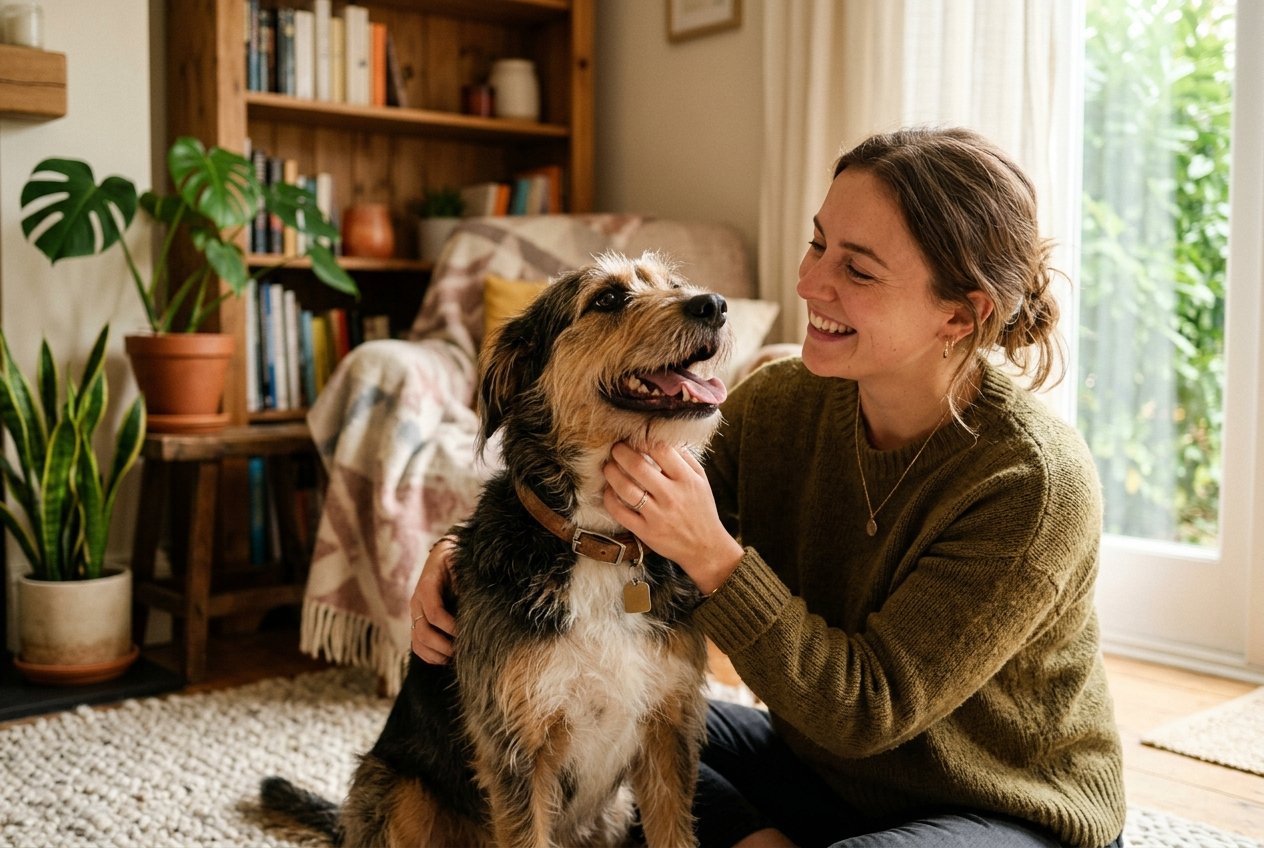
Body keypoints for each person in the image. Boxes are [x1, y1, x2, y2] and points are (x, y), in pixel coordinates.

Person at [411, 126, 1128, 848]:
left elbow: (866, 709)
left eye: (859, 269)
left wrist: (715, 559)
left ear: (959, 314)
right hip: (818, 768)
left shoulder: (1032, 484)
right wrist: (458, 554)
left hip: (1002, 805)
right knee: (623, 726)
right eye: (818, 244)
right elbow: (612, 520)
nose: (811, 284)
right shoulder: (782, 400)